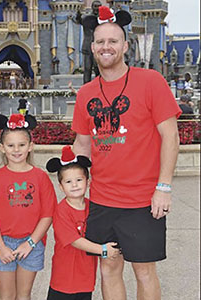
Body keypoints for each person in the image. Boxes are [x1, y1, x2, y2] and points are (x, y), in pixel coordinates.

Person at [72, 6, 181, 300]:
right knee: (109, 269)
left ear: (125, 45)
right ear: (92, 47)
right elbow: (82, 145)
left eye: (113, 41)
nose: (106, 47)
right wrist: (73, 187)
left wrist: (164, 186)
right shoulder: (85, 93)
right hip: (102, 200)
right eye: (100, 42)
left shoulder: (150, 82)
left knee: (144, 271)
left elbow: (170, 135)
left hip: (143, 199)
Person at [0, 113, 57, 300]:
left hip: (31, 243)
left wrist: (30, 243)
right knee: (6, 295)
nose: (16, 150)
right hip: (3, 242)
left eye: (22, 145)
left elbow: (47, 215)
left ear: (30, 146)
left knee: (24, 295)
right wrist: (0, 247)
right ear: (2, 148)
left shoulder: (40, 178)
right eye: (10, 145)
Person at [46, 145, 120, 300]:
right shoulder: (61, 211)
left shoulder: (92, 207)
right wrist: (103, 250)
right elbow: (75, 241)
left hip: (85, 276)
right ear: (61, 186)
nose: (74, 185)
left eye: (79, 180)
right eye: (68, 181)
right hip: (64, 278)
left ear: (87, 182)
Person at [75, 0, 101, 84]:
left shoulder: (102, 20)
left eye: (99, 6)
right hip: (87, 47)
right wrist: (78, 15)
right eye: (95, 6)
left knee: (98, 69)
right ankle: (86, 88)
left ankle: (99, 87)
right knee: (87, 68)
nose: (97, 8)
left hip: (99, 48)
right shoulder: (87, 18)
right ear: (92, 7)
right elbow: (79, 21)